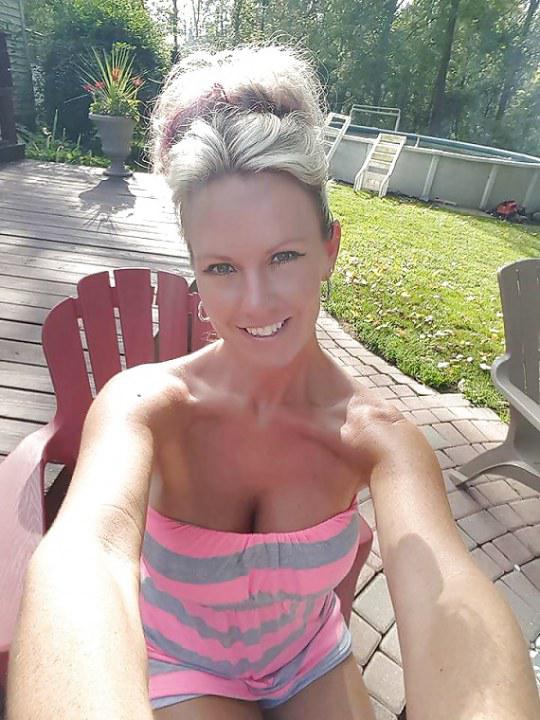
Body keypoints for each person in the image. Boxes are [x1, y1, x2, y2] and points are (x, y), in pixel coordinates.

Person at [7, 44, 540, 720]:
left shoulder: (378, 438)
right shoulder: (145, 405)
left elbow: (448, 596)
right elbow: (88, 553)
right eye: (222, 268)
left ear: (329, 250)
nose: (256, 302)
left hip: (309, 656)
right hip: (180, 660)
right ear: (195, 271)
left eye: (283, 256)